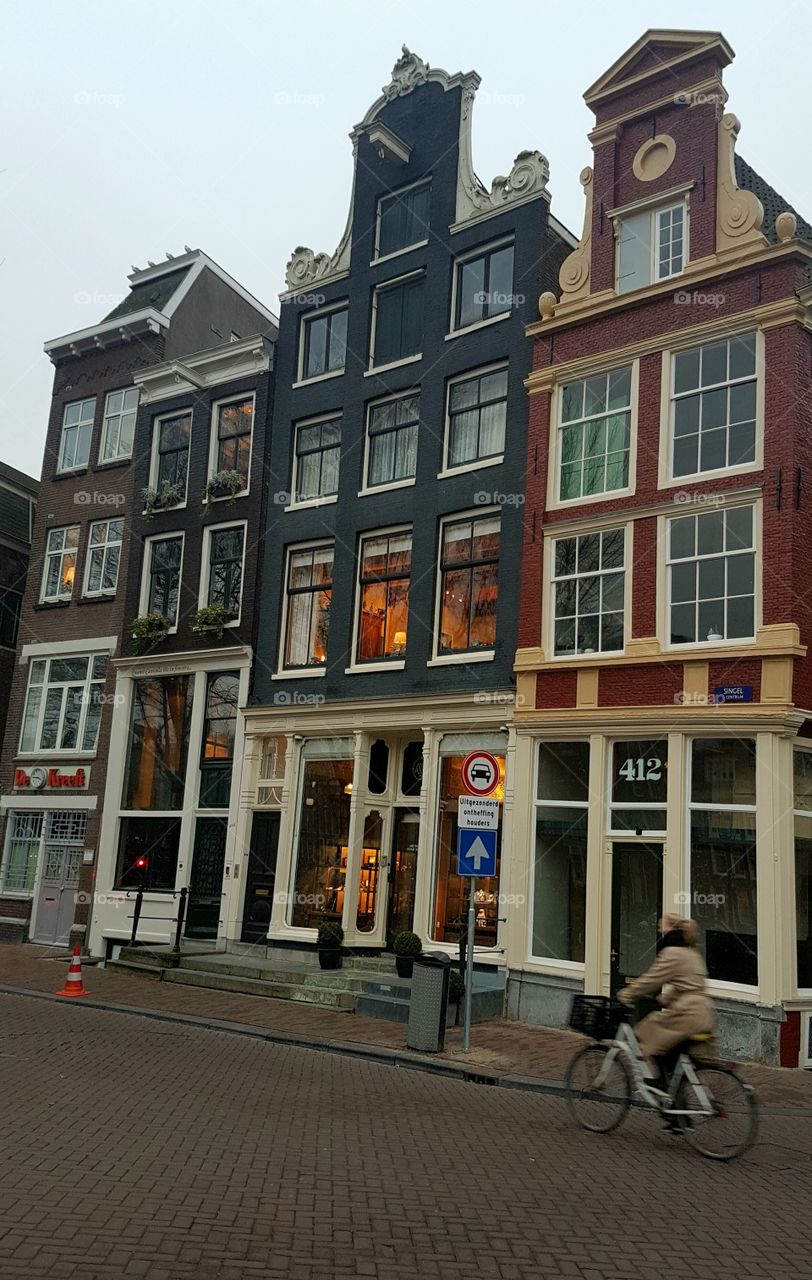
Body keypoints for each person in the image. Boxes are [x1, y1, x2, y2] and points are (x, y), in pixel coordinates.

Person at [617, 914, 716, 1101]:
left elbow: (651, 979)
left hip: (688, 1015)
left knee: (648, 1031)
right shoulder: (691, 953)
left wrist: (626, 994)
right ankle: (676, 1113)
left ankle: (661, 1084)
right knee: (672, 1059)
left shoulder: (672, 953)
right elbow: (688, 983)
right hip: (703, 1013)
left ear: (670, 928)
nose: (659, 932)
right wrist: (665, 998)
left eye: (661, 928)